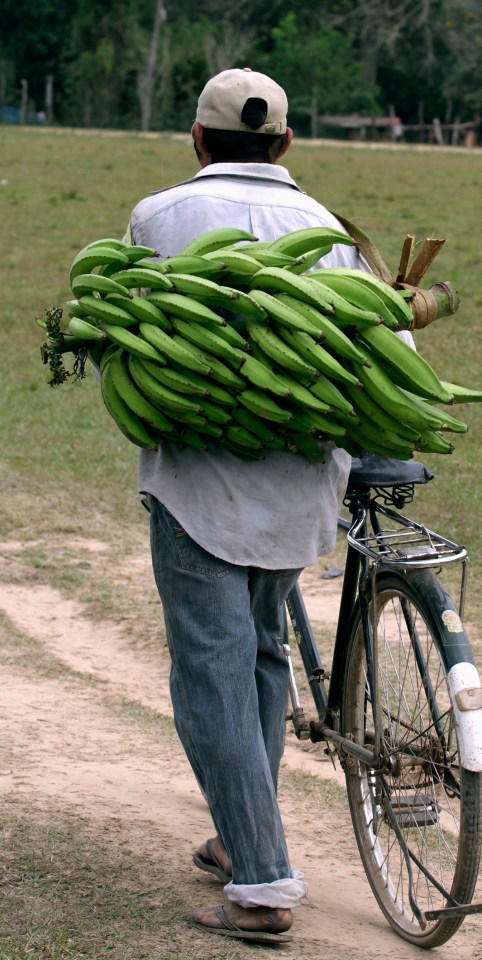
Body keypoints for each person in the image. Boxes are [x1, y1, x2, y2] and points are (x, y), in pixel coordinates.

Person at [127, 67, 375, 945]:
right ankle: (244, 842)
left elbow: (133, 343)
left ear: (198, 139)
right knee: (261, 657)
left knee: (213, 676)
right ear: (286, 145)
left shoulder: (160, 219)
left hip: (198, 487)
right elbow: (383, 350)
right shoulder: (328, 232)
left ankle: (262, 884)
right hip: (299, 492)